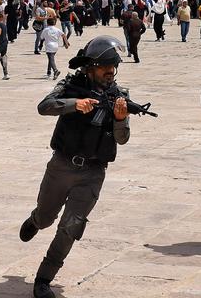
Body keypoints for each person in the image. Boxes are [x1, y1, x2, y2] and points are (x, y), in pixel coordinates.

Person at [19, 36, 132, 298]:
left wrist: (120, 118)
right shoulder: (70, 86)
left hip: (93, 173)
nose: (110, 72)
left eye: (113, 67)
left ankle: (44, 278)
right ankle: (36, 220)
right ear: (90, 67)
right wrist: (74, 105)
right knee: (48, 217)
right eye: (105, 66)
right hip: (61, 166)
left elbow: (122, 138)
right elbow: (44, 107)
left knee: (72, 225)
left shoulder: (120, 96)